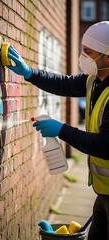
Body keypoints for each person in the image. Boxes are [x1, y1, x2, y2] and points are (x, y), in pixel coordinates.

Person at [7, 21, 109, 240]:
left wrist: (61, 130)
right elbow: (64, 84)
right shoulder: (94, 79)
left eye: (89, 53)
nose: (84, 58)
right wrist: (29, 73)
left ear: (107, 57)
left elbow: (105, 145)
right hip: (104, 190)